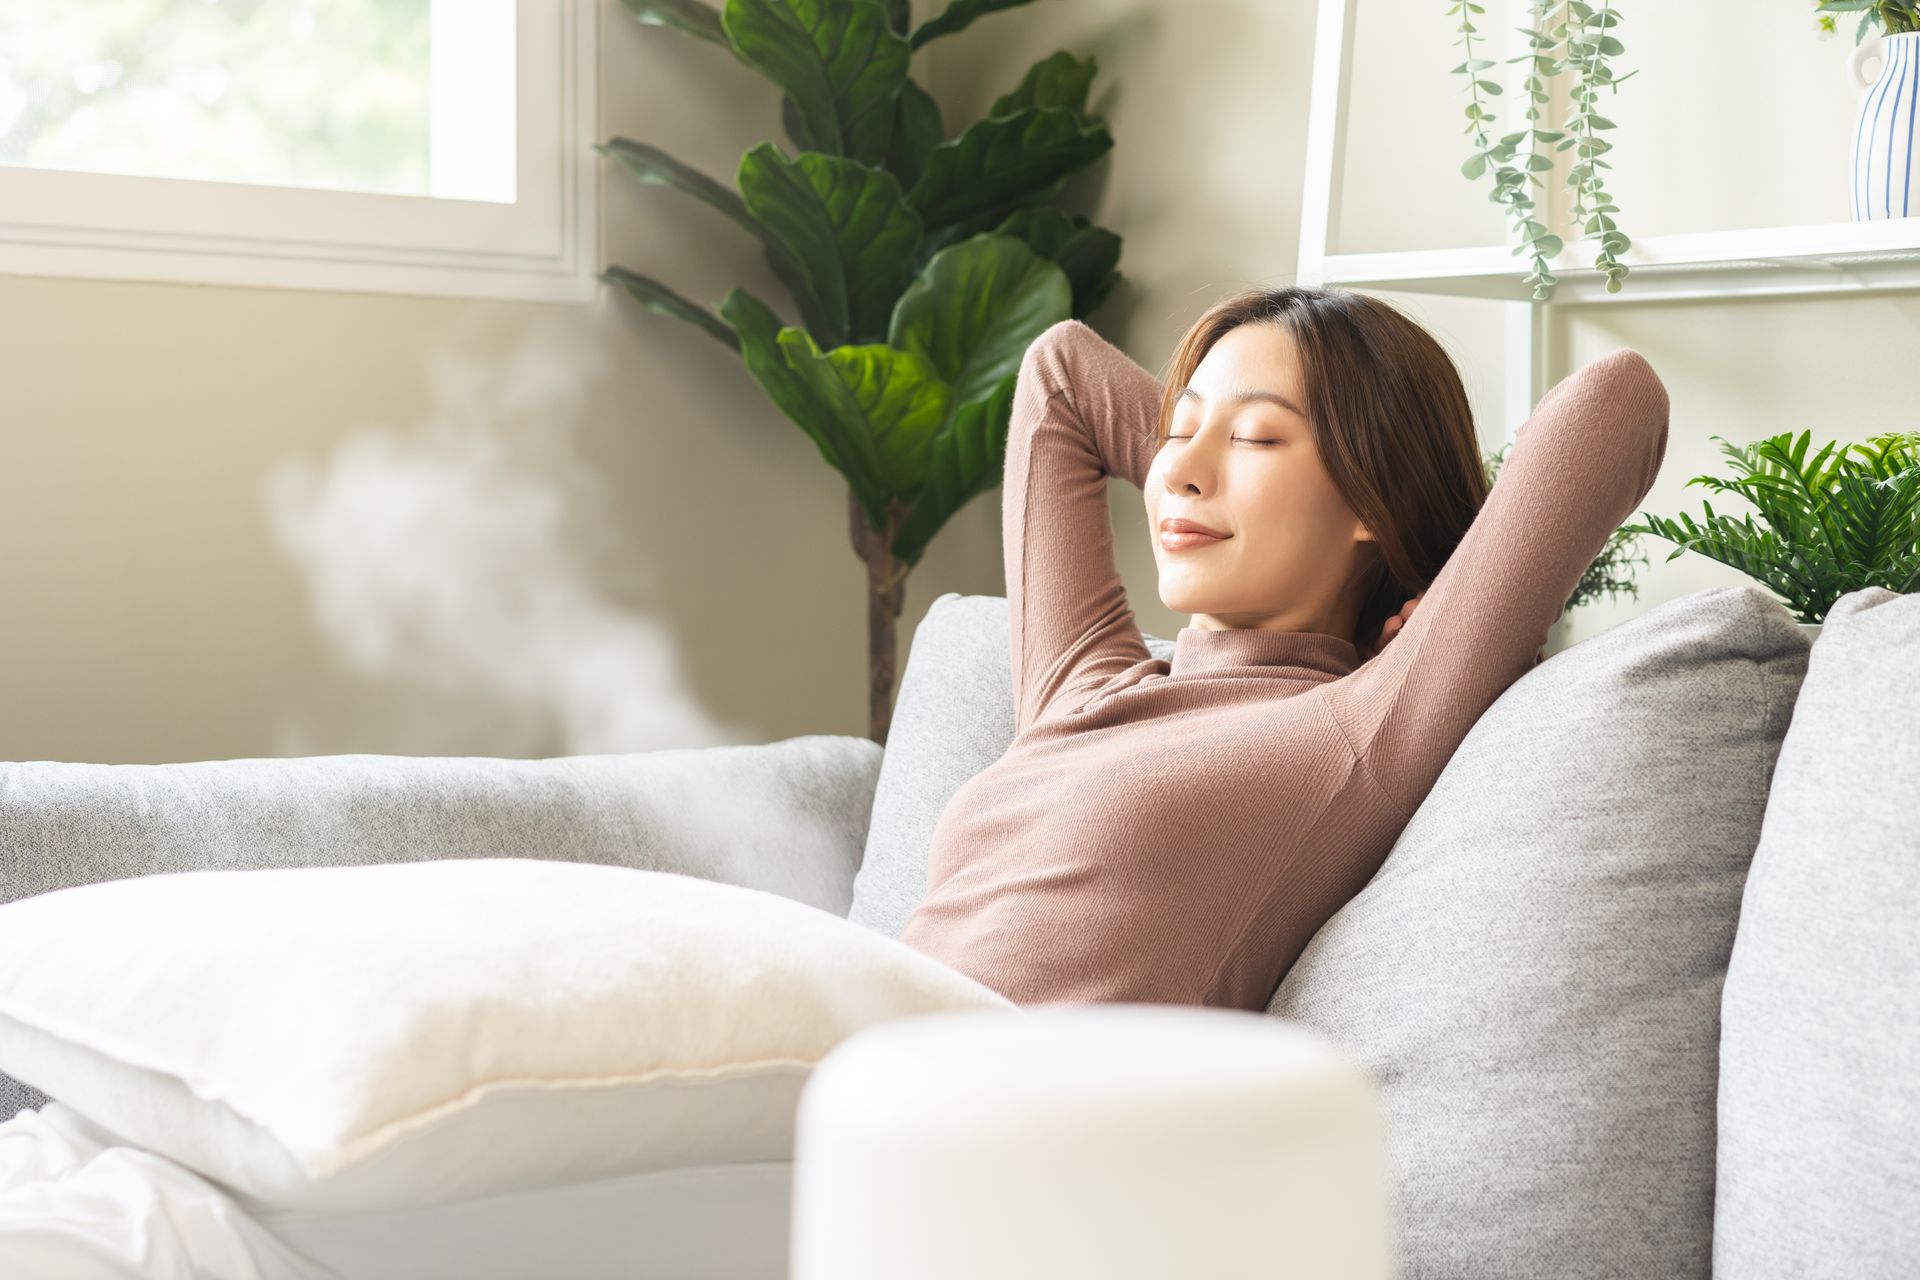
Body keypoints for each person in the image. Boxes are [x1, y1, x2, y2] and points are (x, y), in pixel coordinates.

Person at [896, 286, 1670, 1011]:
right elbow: (1060, 373)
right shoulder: (1085, 684)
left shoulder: (1357, 727)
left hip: (998, 1126)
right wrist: (1209, 466)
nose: (1182, 473)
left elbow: (1618, 400)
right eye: (1176, 430)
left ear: (1374, 495)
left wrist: (1453, 575)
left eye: (1257, 437)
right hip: (848, 1091)